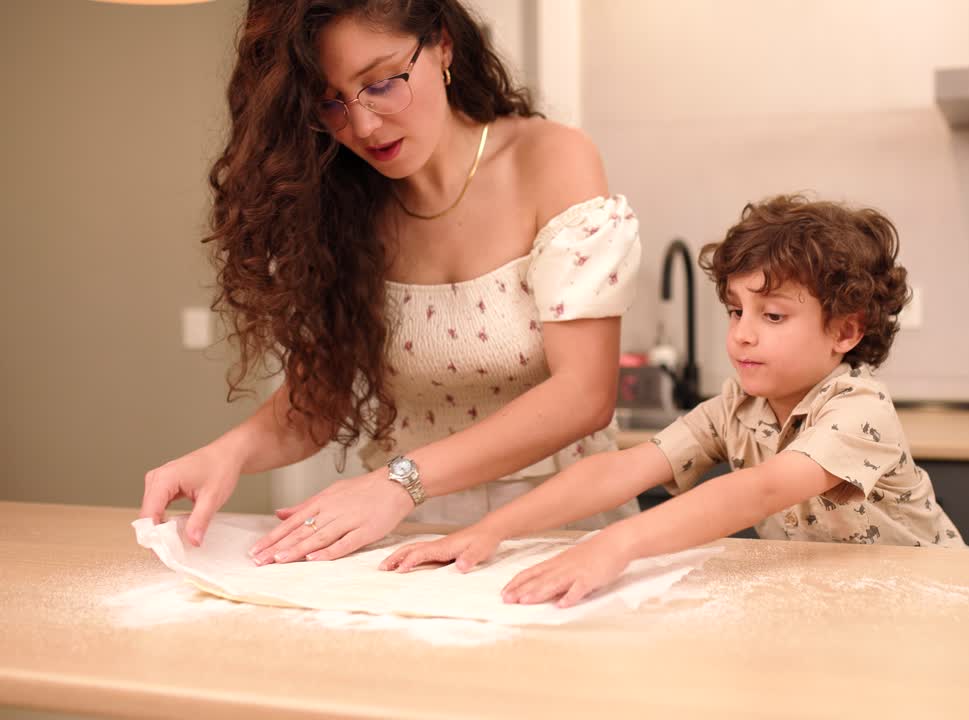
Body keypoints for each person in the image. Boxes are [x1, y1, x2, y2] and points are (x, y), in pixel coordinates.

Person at [139, 0, 641, 564]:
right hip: (407, 533)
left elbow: (585, 395)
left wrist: (401, 481)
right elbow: (317, 403)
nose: (362, 126)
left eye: (380, 83)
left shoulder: (550, 158)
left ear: (443, 44)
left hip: (564, 524)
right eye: (329, 102)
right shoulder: (342, 204)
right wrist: (226, 454)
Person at [380, 194, 966, 607]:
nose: (742, 333)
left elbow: (761, 488)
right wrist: (492, 529)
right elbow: (620, 471)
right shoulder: (738, 409)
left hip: (932, 601)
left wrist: (616, 543)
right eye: (737, 310)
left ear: (845, 331)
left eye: (774, 315)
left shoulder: (858, 407)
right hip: (843, 604)